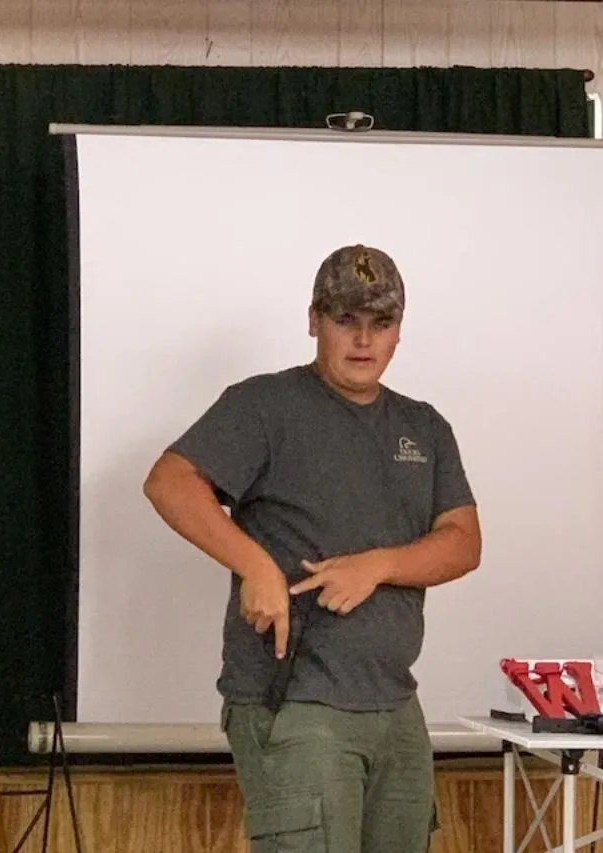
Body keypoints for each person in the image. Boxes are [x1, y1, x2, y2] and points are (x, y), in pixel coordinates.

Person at [143, 244, 481, 853]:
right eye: (345, 320)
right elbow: (169, 482)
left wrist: (379, 566)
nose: (362, 340)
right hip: (298, 705)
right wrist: (255, 565)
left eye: (380, 324)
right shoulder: (264, 405)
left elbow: (462, 543)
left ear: (399, 331)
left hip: (396, 705)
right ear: (313, 320)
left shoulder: (424, 426)